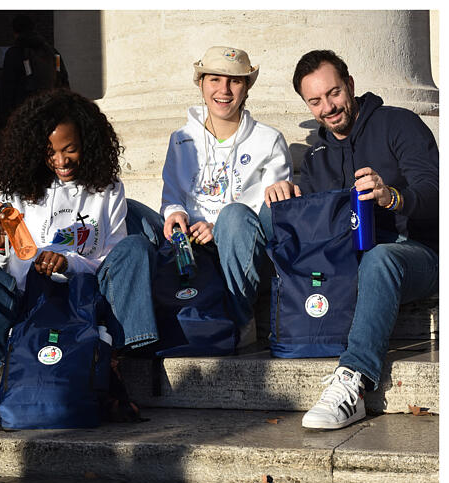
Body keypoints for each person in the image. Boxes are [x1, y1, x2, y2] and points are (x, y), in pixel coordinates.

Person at [0, 88, 155, 421]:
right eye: (50, 152)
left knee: (135, 247)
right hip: (32, 302)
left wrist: (69, 262)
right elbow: (1, 267)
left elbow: (113, 256)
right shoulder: (18, 189)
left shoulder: (107, 189)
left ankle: (113, 360)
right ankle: (15, 361)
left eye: (71, 149)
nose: (61, 161)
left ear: (88, 144)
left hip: (88, 298)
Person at [270, 50, 438, 430]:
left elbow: (435, 189)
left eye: (334, 93)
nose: (328, 107)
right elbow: (317, 224)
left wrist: (392, 196)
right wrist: (292, 195)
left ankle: (354, 381)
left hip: (416, 254)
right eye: (315, 101)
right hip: (352, 262)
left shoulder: (399, 124)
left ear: (350, 86)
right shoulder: (317, 154)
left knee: (380, 259)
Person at [128, 45, 293, 340]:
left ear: (247, 88)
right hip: (187, 243)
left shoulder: (269, 140)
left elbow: (271, 213)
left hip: (236, 244)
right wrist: (175, 214)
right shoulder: (181, 138)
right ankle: (137, 332)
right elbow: (172, 194)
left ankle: (239, 319)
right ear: (200, 84)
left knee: (234, 217)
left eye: (235, 81)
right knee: (128, 210)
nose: (224, 90)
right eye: (214, 79)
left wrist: (217, 228)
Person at [0, 14, 70, 130]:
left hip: (25, 114)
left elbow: (7, 89)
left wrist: (3, 122)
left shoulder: (15, 53)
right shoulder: (53, 53)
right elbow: (64, 81)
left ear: (15, 32)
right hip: (51, 113)